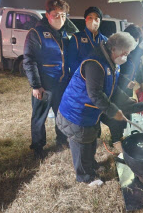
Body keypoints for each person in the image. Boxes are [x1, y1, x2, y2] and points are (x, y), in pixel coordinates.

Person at [56, 32, 137, 185]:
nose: (125, 56)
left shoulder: (111, 62)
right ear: (113, 49)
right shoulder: (95, 63)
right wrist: (114, 112)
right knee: (81, 142)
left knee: (90, 139)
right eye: (124, 53)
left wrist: (126, 101)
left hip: (90, 111)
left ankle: (90, 165)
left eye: (128, 53)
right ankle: (84, 177)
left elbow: (112, 88)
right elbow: (95, 94)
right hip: (77, 111)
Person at [23, 0, 78, 159]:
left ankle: (61, 139)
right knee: (39, 117)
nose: (60, 19)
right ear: (47, 15)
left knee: (61, 114)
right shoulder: (36, 33)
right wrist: (35, 85)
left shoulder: (66, 34)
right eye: (55, 15)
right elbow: (29, 60)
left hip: (62, 84)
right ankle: (38, 147)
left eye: (63, 15)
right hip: (44, 85)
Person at [101, 24, 143, 153]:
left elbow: (139, 68)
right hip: (116, 87)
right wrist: (125, 82)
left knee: (127, 112)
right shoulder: (119, 53)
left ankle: (125, 137)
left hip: (126, 88)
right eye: (133, 38)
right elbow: (116, 74)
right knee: (116, 114)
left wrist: (139, 82)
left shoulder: (137, 52)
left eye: (137, 39)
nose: (135, 42)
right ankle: (116, 140)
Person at [68, 6, 107, 76]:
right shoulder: (76, 38)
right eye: (90, 18)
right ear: (85, 19)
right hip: (80, 78)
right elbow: (71, 61)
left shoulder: (105, 40)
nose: (93, 21)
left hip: (98, 78)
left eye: (96, 18)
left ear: (100, 21)